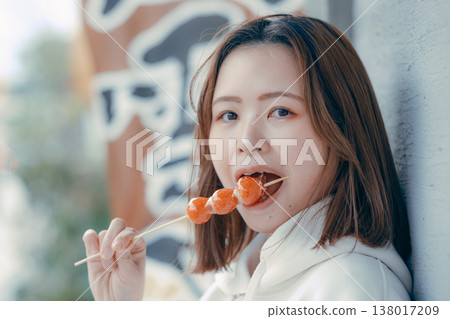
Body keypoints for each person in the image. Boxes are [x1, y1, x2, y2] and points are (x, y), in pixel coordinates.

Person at [82, 14, 412, 301]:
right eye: (228, 115)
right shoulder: (238, 279)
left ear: (341, 127)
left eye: (281, 111)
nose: (246, 141)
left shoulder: (353, 289)